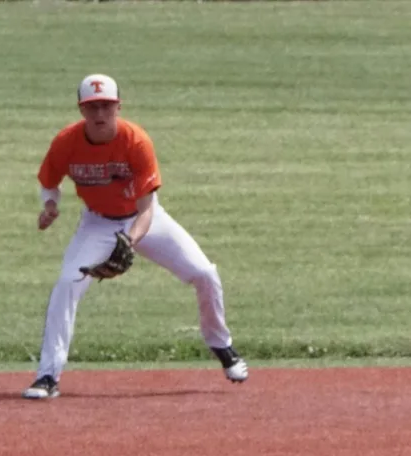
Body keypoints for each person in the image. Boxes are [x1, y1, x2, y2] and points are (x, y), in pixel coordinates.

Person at [24, 74, 247, 399]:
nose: (99, 114)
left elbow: (146, 210)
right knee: (66, 284)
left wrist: (128, 240)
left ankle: (221, 345)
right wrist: (50, 205)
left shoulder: (136, 141)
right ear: (81, 110)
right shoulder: (66, 142)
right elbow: (49, 180)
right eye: (92, 107)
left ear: (118, 107)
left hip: (146, 219)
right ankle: (47, 376)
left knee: (204, 273)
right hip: (97, 224)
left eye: (106, 106)